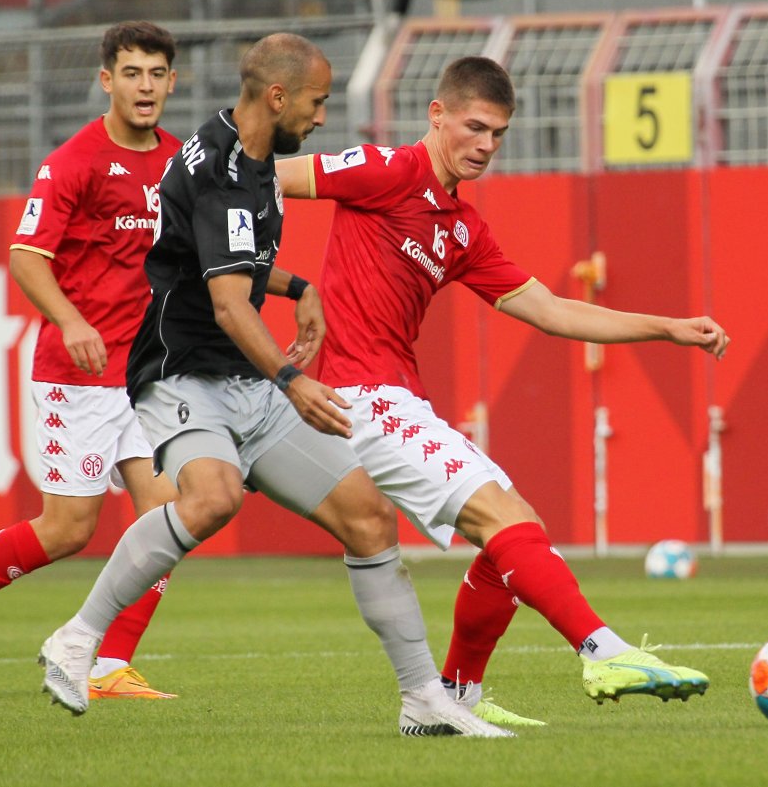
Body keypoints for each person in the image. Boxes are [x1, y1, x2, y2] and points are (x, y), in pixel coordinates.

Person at [36, 33, 510, 738]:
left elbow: (227, 258)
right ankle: (78, 639)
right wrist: (292, 379)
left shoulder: (246, 152)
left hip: (242, 381)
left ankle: (422, 697)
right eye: (317, 102)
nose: (322, 118)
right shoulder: (227, 171)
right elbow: (228, 303)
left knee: (369, 516)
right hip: (182, 373)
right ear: (280, 97)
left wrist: (297, 284)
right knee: (213, 497)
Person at [275, 55, 731, 725]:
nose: (485, 146)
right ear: (438, 116)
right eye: (474, 127)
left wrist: (665, 327)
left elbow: (551, 310)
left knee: (517, 536)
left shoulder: (460, 229)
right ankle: (603, 649)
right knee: (510, 523)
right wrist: (276, 279)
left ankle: (452, 697)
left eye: (498, 134)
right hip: (359, 397)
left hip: (395, 396)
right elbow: (265, 176)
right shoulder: (387, 170)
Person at [0, 21, 184, 702]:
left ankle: (109, 664)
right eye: (131, 73)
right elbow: (26, 256)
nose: (145, 87)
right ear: (106, 79)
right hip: (77, 371)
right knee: (68, 528)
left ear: (173, 81)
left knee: (168, 515)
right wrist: (71, 319)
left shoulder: (177, 159)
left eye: (156, 73)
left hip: (148, 373)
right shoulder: (75, 159)